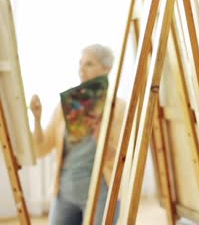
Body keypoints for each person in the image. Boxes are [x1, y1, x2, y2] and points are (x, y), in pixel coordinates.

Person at [29, 44, 126, 225]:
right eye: (80, 63)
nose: (81, 69)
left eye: (89, 64)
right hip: (65, 191)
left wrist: (99, 135)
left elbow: (123, 158)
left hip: (101, 192)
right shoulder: (65, 105)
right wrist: (36, 118)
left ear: (107, 69)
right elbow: (42, 149)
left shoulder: (118, 108)